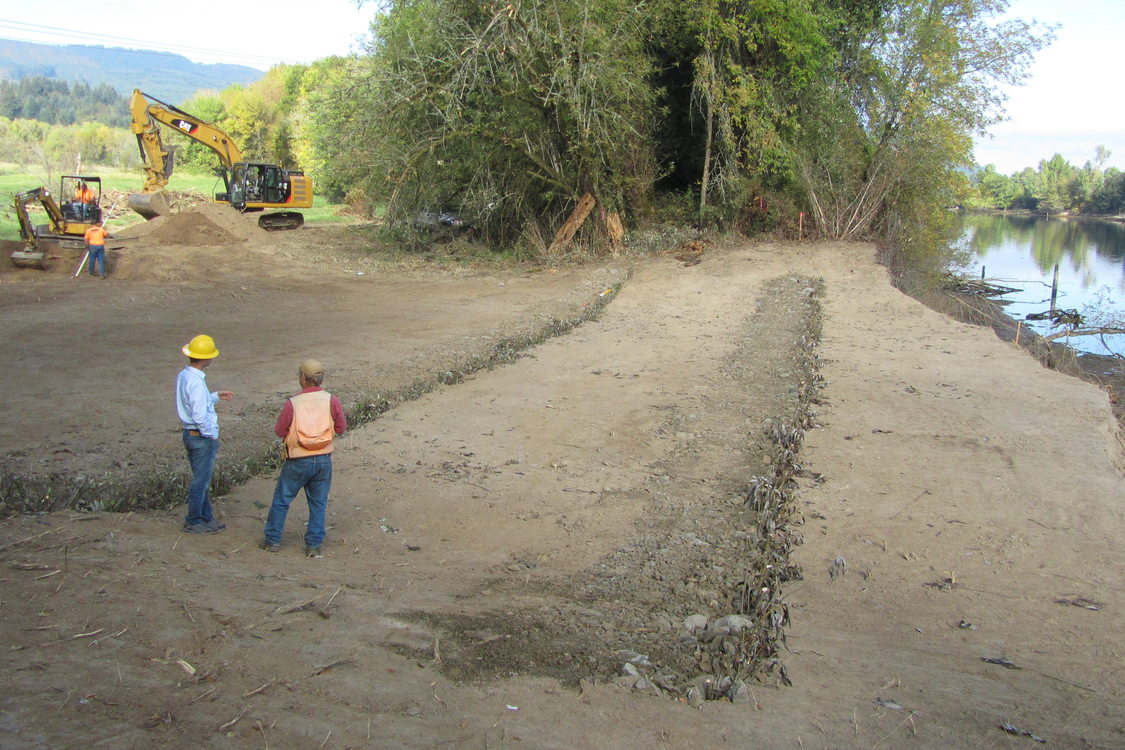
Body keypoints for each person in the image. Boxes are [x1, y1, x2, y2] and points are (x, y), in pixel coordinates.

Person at [262, 359, 347, 556]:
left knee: (282, 499)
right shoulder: (331, 400)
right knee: (318, 503)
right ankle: (313, 545)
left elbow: (280, 430)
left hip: (298, 458)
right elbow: (341, 427)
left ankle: (272, 540)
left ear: (303, 378)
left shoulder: (293, 403)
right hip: (324, 458)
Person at [176, 335, 235, 533]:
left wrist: (215, 396)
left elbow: (194, 403)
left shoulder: (186, 376)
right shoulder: (195, 381)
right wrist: (211, 435)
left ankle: (206, 517)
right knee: (200, 483)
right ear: (205, 359)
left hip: (191, 434)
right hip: (201, 437)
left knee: (201, 480)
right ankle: (194, 520)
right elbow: (199, 413)